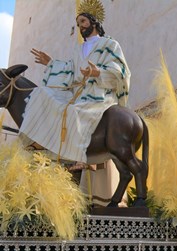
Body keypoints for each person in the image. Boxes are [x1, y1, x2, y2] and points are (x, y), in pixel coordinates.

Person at [19, 1, 130, 167]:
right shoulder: (78, 49)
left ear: (94, 21)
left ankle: (82, 157)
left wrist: (97, 72)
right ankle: (41, 139)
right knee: (42, 94)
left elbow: (121, 71)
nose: (80, 26)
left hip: (99, 93)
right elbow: (70, 70)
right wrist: (50, 63)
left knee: (75, 112)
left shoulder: (109, 44)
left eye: (83, 22)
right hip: (77, 92)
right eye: (78, 24)